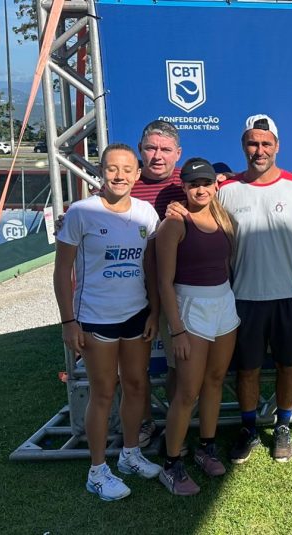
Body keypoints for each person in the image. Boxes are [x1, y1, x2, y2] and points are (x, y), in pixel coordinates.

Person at [170, 114, 292, 464]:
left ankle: (283, 427)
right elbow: (197, 209)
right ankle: (249, 428)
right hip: (242, 298)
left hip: (289, 297)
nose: (259, 150)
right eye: (253, 143)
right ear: (243, 146)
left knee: (288, 366)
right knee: (247, 369)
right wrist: (175, 207)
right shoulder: (225, 190)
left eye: (266, 143)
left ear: (277, 146)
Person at [53, 143, 162, 501]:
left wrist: (154, 311)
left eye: (127, 170)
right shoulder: (81, 212)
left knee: (136, 385)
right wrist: (68, 321)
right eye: (112, 168)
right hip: (95, 317)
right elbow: (61, 271)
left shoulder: (146, 213)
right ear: (101, 171)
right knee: (103, 392)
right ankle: (97, 471)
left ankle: (130, 454)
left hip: (136, 315)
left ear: (138, 174)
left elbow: (150, 267)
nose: (119, 176)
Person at [156, 157, 238, 495]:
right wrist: (176, 329)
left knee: (215, 381)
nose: (200, 189)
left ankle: (206, 447)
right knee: (187, 392)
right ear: (184, 187)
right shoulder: (174, 223)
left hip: (224, 305)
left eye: (206, 183)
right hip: (190, 308)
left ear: (215, 185)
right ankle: (171, 464)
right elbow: (164, 282)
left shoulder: (223, 217)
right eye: (193, 184)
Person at [133, 120, 187, 448]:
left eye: (165, 149)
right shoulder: (125, 182)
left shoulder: (191, 182)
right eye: (151, 148)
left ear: (177, 153)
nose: (157, 156)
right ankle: (144, 422)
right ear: (140, 150)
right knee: (135, 368)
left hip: (177, 292)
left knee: (177, 366)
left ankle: (175, 424)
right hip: (132, 294)